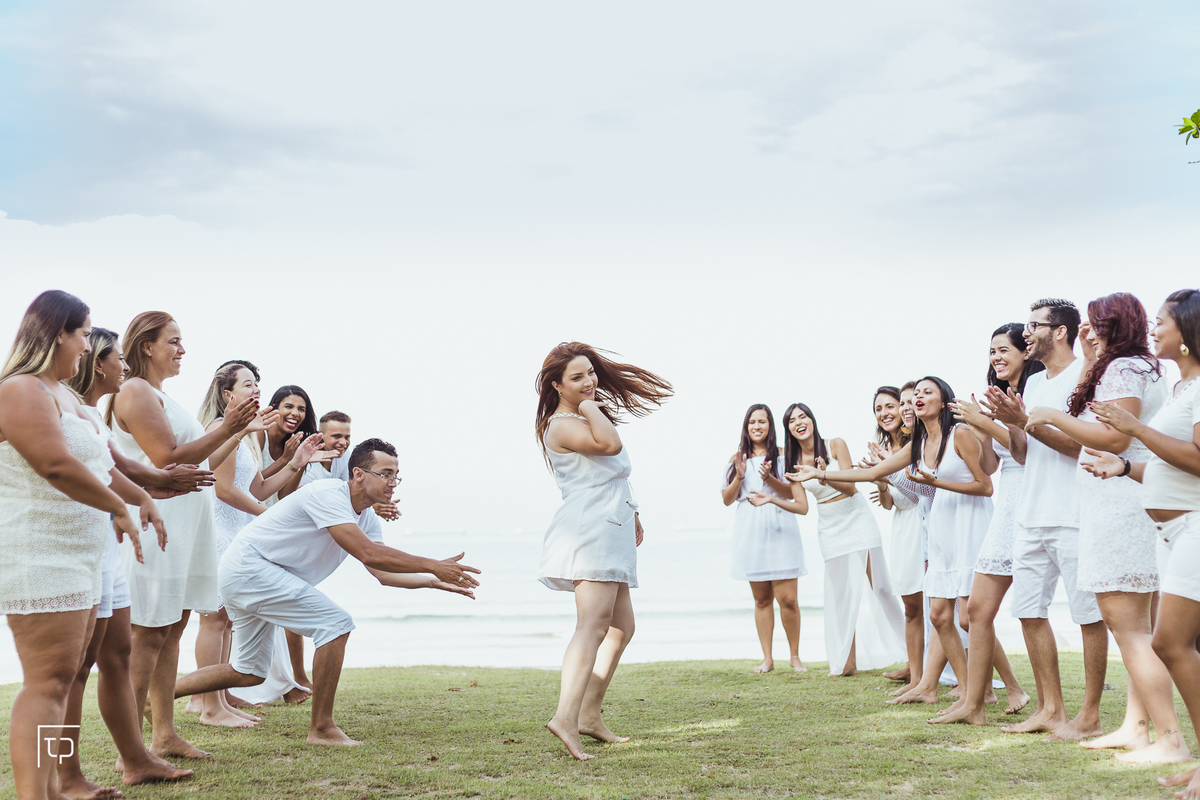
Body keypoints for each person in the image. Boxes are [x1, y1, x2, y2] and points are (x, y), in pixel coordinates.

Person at [171, 438, 479, 747]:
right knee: (335, 624)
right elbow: (368, 554)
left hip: (253, 574)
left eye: (396, 476)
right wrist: (434, 565)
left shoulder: (367, 516)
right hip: (250, 569)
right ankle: (321, 728)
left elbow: (381, 572)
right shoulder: (328, 495)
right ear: (358, 474)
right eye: (386, 474)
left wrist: (432, 579)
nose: (393, 483)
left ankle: (157, 694)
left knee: (249, 672)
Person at [0, 291, 157, 800]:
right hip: (40, 551)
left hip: (84, 556)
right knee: (47, 683)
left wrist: (135, 499)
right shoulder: (21, 389)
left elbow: (100, 466)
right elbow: (54, 464)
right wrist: (117, 508)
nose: (89, 347)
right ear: (56, 334)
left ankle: (58, 783)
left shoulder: (65, 395)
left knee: (65, 681)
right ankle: (34, 795)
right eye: (85, 334)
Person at [1023, 292, 1185, 761]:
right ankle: (1136, 726)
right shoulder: (1143, 366)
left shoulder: (1124, 368)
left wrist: (1053, 415)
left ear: (1117, 324)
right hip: (1129, 497)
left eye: (1096, 324)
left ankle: (1167, 736)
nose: (1087, 332)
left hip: (1119, 501)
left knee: (1127, 626)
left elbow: (1116, 435)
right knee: (1136, 626)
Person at [108, 311, 260, 760]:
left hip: (185, 527)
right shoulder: (135, 391)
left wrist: (234, 432)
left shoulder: (159, 395)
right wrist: (230, 426)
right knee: (149, 633)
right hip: (158, 528)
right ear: (146, 346)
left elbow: (201, 464)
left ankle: (165, 735)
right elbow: (165, 456)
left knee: (172, 629)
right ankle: (131, 748)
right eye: (173, 341)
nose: (182, 350)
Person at [58, 327, 201, 796]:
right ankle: (54, 777)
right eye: (115, 355)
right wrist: (127, 503)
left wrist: (150, 494)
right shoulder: (29, 395)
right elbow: (55, 468)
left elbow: (122, 470)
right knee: (58, 679)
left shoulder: (85, 413)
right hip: (54, 557)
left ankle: (136, 757)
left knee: (115, 658)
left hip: (99, 550)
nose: (124, 365)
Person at [1080, 290, 1200, 795]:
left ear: (1189, 334)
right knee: (1175, 643)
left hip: (1195, 527)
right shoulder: (1180, 390)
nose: (1155, 330)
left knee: (1169, 642)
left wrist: (1133, 430)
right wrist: (1126, 465)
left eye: (1163, 322)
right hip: (1171, 533)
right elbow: (1172, 464)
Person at [535, 342, 671, 760]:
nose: (589, 381)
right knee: (592, 627)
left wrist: (633, 513)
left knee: (621, 628)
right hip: (589, 529)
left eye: (591, 373)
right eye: (577, 377)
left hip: (611, 520)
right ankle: (565, 717)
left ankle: (589, 715)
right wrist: (590, 404)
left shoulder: (581, 414)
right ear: (556, 385)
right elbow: (610, 447)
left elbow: (609, 472)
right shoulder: (561, 423)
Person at [982, 298, 1108, 741]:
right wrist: (1011, 423)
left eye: (1034, 325)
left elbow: (1086, 449)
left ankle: (1089, 715)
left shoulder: (1086, 377)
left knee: (1087, 615)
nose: (1026, 331)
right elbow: (1021, 453)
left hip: (1073, 513)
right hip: (1030, 515)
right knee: (1028, 611)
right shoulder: (1032, 385)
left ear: (1059, 331)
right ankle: (1050, 709)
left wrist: (1027, 424)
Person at [188, 360, 326, 722]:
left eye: (256, 384)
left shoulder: (247, 435)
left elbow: (258, 488)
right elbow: (223, 490)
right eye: (248, 385)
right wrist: (267, 518)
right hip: (219, 531)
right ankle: (207, 704)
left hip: (237, 533)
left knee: (228, 620)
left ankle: (222, 698)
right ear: (227, 393)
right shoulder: (220, 428)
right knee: (214, 619)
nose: (256, 390)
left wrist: (293, 463)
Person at [931, 323, 1042, 724]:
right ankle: (973, 705)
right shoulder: (996, 400)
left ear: (1023, 354)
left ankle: (1032, 700)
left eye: (1003, 350)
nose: (996, 357)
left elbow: (1029, 450)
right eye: (991, 351)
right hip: (1006, 507)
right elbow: (994, 466)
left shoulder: (1038, 392)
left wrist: (987, 420)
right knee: (975, 610)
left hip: (1033, 500)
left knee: (1029, 609)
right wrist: (981, 429)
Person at [781, 402, 905, 677]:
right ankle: (847, 663)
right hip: (830, 526)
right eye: (792, 420)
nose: (798, 422)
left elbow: (850, 487)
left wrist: (823, 475)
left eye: (803, 416)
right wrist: (769, 498)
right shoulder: (792, 460)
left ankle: (912, 654)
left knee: (882, 589)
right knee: (841, 597)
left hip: (857, 518)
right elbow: (802, 506)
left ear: (812, 420)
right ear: (788, 429)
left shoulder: (835, 445)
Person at [721, 404, 809, 674]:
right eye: (752, 422)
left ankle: (794, 656)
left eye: (762, 421)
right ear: (746, 427)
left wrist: (769, 478)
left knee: (789, 599)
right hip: (751, 531)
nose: (757, 426)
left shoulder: (784, 455)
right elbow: (727, 499)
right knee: (761, 599)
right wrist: (740, 476)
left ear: (771, 426)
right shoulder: (737, 458)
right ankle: (767, 658)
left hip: (781, 526)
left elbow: (793, 494)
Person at [865, 385, 925, 691]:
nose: (887, 413)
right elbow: (890, 503)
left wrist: (885, 473)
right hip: (903, 528)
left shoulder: (912, 441)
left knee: (930, 604)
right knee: (911, 605)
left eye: (892, 405)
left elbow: (916, 496)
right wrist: (882, 482)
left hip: (919, 525)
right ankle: (915, 668)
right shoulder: (888, 445)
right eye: (880, 409)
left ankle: (928, 673)